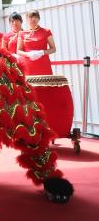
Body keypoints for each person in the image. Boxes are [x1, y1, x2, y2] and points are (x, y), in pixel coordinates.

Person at [16, 10, 73, 138]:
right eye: (30, 17)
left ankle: (49, 126)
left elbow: (53, 48)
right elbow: (18, 50)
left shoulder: (46, 31)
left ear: (38, 19)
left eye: (35, 17)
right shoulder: (22, 33)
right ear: (27, 19)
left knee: (45, 94)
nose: (33, 20)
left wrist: (42, 52)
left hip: (43, 65)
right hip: (28, 65)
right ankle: (31, 127)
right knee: (30, 95)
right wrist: (28, 54)